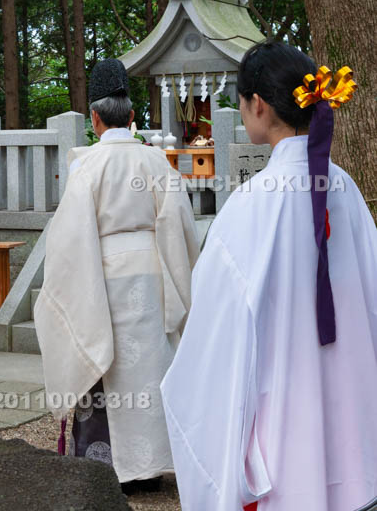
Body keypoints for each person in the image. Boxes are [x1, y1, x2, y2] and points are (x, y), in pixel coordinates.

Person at [161, 41, 377, 511]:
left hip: (283, 430)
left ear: (257, 104)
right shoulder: (347, 190)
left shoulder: (251, 204)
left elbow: (216, 334)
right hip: (356, 425)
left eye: (241, 102)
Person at [34, 58, 200, 491]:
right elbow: (180, 226)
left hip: (101, 272)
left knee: (102, 356)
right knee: (151, 365)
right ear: (132, 116)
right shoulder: (157, 163)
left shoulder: (85, 166)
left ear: (94, 119)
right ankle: (153, 466)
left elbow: (69, 238)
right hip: (152, 272)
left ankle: (105, 468)